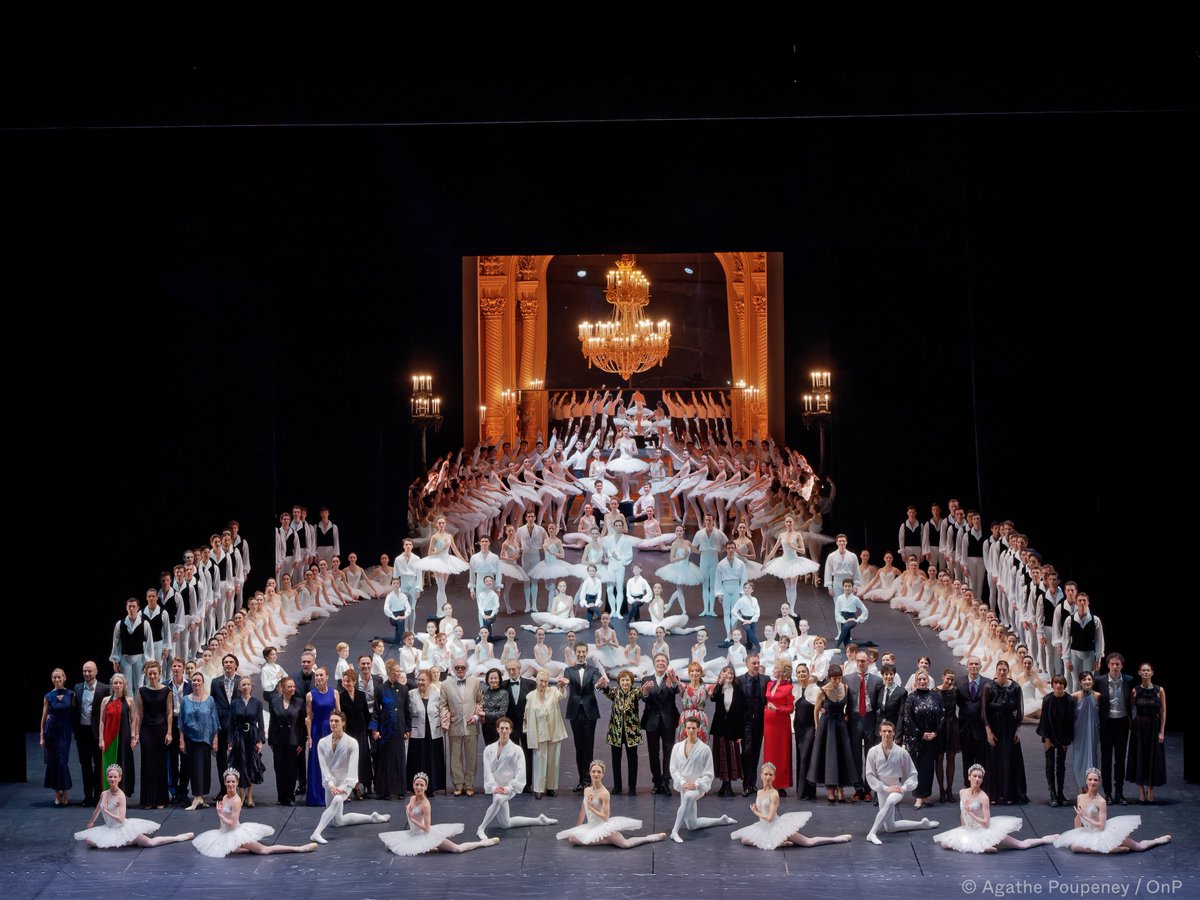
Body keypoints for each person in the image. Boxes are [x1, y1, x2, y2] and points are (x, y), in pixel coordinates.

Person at [934, 764, 1058, 852]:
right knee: (945, 843)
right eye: (975, 776)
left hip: (984, 830)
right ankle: (985, 846)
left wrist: (971, 813)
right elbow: (963, 814)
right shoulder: (962, 792)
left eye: (980, 777)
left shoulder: (983, 797)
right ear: (969, 777)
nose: (977, 779)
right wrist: (962, 829)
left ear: (982, 780)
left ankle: (1043, 840)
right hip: (969, 829)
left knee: (1021, 845)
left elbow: (986, 823)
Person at [192, 767, 316, 856]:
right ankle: (244, 848)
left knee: (264, 850)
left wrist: (220, 814)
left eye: (233, 782)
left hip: (235, 832)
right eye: (228, 781)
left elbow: (233, 824)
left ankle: (299, 849)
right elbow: (224, 823)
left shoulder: (236, 800)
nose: (230, 784)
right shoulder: (224, 797)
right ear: (224, 782)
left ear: (237, 783)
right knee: (231, 849)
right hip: (225, 833)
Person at [310, 710, 391, 843]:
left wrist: (344, 787)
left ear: (343, 722)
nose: (333, 723)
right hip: (330, 782)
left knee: (337, 800)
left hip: (345, 783)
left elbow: (352, 769)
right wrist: (331, 785)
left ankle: (316, 833)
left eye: (336, 721)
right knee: (338, 821)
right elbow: (323, 767)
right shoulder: (322, 743)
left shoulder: (352, 743)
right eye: (331, 721)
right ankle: (372, 818)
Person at [731, 762, 852, 849]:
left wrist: (756, 812)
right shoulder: (759, 792)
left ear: (774, 777)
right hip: (763, 827)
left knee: (807, 842)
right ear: (761, 775)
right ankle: (779, 842)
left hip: (776, 825)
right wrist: (758, 812)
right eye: (766, 774)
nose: (768, 777)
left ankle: (836, 839)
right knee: (744, 839)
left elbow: (769, 818)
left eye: (770, 775)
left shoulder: (774, 794)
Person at [1053, 767, 1171, 853]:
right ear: (1086, 781)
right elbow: (1078, 818)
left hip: (1103, 832)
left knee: (1139, 847)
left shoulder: (1101, 801)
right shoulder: (1080, 797)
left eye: (1095, 780)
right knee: (1075, 847)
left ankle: (1158, 840)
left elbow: (1101, 826)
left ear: (1099, 782)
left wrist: (1085, 817)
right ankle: (1111, 850)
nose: (1092, 782)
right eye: (1090, 779)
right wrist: (1077, 832)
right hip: (1089, 832)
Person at [379, 772, 499, 855]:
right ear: (413, 785)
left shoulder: (426, 805)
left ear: (426, 787)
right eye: (417, 784)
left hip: (426, 834)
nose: (419, 787)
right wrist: (410, 813)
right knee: (388, 845)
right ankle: (430, 848)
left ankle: (483, 843)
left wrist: (413, 819)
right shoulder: (412, 799)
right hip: (413, 833)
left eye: (422, 785)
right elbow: (411, 814)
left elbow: (426, 828)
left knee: (456, 849)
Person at [75, 765, 194, 849]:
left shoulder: (121, 796)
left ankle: (177, 838)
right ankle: (129, 842)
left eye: (115, 777)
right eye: (110, 777)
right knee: (89, 841)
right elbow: (97, 808)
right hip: (109, 828)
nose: (112, 779)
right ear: (107, 777)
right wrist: (91, 822)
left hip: (122, 827)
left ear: (119, 778)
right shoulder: (104, 794)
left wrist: (107, 811)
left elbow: (121, 819)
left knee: (149, 843)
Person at [557, 759, 666, 848]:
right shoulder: (587, 790)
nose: (596, 774)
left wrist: (591, 807)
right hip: (591, 825)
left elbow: (605, 817)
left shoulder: (604, 793)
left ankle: (650, 838)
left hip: (603, 825)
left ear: (603, 774)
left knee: (625, 844)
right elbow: (582, 810)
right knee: (573, 838)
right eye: (594, 771)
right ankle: (607, 841)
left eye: (599, 772)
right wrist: (578, 828)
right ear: (590, 773)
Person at [477, 718, 558, 837]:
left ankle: (481, 828)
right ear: (497, 729)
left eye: (506, 728)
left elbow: (520, 772)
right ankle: (539, 820)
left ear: (510, 730)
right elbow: (487, 771)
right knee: (506, 823)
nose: (504, 731)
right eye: (502, 728)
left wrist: (509, 788)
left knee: (498, 799)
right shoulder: (489, 750)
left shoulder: (517, 750)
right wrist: (493, 787)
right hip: (496, 787)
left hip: (509, 786)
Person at [863, 720, 940, 844]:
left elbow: (912, 774)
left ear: (893, 733)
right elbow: (870, 774)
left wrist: (904, 788)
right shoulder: (873, 751)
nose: (887, 734)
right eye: (884, 731)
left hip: (897, 788)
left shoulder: (901, 752)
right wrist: (884, 788)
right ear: (879, 733)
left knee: (890, 801)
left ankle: (872, 833)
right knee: (890, 827)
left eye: (889, 731)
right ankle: (922, 824)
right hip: (882, 789)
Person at [668, 717, 737, 842]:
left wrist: (696, 784)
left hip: (697, 787)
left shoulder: (705, 749)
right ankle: (722, 820)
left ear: (698, 729)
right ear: (684, 729)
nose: (690, 731)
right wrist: (683, 783)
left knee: (689, 797)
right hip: (684, 786)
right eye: (688, 728)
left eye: (693, 728)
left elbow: (708, 774)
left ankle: (674, 831)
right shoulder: (677, 747)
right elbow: (673, 769)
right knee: (692, 825)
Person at [808, 664, 856, 803]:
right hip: (827, 725)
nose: (837, 681)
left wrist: (846, 717)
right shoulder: (822, 691)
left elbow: (849, 708)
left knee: (842, 755)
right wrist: (817, 727)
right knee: (829, 757)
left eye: (839, 678)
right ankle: (830, 789)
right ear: (829, 678)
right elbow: (816, 710)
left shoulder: (845, 688)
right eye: (834, 679)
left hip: (841, 724)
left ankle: (840, 788)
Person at [981, 660, 1026, 804]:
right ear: (996, 670)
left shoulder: (1015, 687)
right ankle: (994, 794)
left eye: (1004, 670)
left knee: (1009, 759)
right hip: (994, 728)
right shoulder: (989, 687)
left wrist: (1018, 730)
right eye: (999, 669)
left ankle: (1009, 794)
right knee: (994, 760)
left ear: (1008, 671)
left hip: (1010, 728)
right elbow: (984, 711)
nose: (1002, 672)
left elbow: (1019, 709)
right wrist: (988, 731)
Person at [1094, 652, 1134, 805]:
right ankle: (1108, 793)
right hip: (1107, 724)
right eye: (1112, 664)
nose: (1115, 667)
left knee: (1120, 760)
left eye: (1118, 664)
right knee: (1106, 760)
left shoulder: (1129, 680)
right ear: (1108, 665)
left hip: (1122, 724)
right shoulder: (1099, 681)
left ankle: (1120, 793)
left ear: (1122, 666)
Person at [843, 650, 883, 802]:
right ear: (855, 662)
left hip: (870, 720)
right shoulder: (847, 679)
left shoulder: (877, 680)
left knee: (870, 757)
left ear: (869, 662)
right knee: (855, 757)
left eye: (863, 661)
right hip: (854, 720)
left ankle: (868, 789)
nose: (861, 663)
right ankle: (858, 789)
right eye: (858, 660)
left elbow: (879, 705)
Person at [439, 658, 483, 796]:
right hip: (454, 724)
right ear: (452, 668)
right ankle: (458, 784)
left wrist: (476, 717)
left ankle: (469, 784)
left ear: (466, 668)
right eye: (457, 667)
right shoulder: (445, 684)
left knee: (471, 757)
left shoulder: (475, 682)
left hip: (471, 725)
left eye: (462, 667)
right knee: (455, 756)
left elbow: (480, 702)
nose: (459, 670)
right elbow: (442, 705)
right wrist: (446, 718)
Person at [901, 671, 944, 809]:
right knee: (917, 768)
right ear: (915, 681)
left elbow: (942, 715)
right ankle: (918, 797)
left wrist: (935, 732)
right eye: (919, 679)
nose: (922, 681)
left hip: (932, 738)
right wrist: (921, 734)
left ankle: (926, 795)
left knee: (928, 768)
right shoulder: (911, 698)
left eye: (924, 679)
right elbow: (908, 719)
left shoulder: (935, 696)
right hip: (917, 739)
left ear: (928, 680)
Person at [524, 668, 568, 799]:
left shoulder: (553, 691)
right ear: (536, 680)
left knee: (554, 761)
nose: (543, 684)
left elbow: (563, 695)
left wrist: (561, 687)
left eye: (546, 681)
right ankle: (538, 788)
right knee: (539, 760)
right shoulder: (530, 696)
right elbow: (527, 713)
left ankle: (552, 787)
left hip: (554, 731)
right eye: (541, 681)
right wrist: (527, 727)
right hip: (539, 732)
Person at [1126, 662, 1166, 803]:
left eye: (1148, 670)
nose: (1146, 673)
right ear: (1139, 673)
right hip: (1139, 727)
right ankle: (1140, 789)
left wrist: (1161, 731)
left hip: (1154, 726)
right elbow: (1129, 710)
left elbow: (1163, 711)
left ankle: (1150, 789)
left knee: (1152, 758)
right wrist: (1132, 725)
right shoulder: (1135, 690)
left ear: (1152, 672)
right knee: (1140, 757)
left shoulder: (1159, 690)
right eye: (1143, 670)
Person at [640, 653, 680, 795]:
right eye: (658, 660)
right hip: (652, 721)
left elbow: (676, 689)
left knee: (669, 752)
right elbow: (644, 699)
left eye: (663, 661)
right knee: (653, 753)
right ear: (654, 663)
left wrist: (674, 681)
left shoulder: (672, 678)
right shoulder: (646, 679)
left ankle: (666, 782)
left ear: (667, 664)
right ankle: (656, 781)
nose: (661, 663)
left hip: (669, 720)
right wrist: (644, 692)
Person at [179, 672, 220, 810]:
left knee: (204, 768)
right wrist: (182, 740)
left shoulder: (210, 700)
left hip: (205, 739)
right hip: (190, 739)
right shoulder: (185, 699)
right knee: (194, 768)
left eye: (198, 680)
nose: (196, 682)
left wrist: (215, 739)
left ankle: (201, 796)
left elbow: (215, 721)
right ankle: (196, 796)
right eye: (194, 680)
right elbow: (181, 722)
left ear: (203, 682)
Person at [73, 661, 109, 808]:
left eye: (89, 671)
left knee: (98, 765)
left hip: (97, 733)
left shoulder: (104, 688)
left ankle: (98, 796)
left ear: (96, 671)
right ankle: (87, 796)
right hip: (82, 733)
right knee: (85, 765)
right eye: (84, 671)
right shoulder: (77, 688)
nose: (86, 674)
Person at [602, 669, 644, 795]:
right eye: (623, 680)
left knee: (633, 761)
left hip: (632, 733)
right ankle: (617, 786)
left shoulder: (635, 692)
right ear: (619, 682)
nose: (625, 682)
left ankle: (632, 787)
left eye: (627, 680)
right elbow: (607, 691)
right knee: (616, 760)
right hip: (616, 733)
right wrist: (604, 686)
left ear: (631, 682)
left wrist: (646, 690)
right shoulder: (615, 692)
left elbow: (643, 693)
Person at [1036, 674, 1074, 807]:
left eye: (1061, 683)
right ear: (1052, 685)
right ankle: (1052, 793)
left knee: (1061, 766)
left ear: (1064, 685)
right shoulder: (1047, 699)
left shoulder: (1069, 700)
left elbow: (1070, 722)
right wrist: (1046, 739)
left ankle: (1060, 793)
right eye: (1056, 683)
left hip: (1063, 737)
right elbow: (1044, 720)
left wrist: (1066, 741)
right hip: (1049, 736)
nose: (1058, 685)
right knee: (1050, 765)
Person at [265, 676, 303, 806]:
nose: (292, 689)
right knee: (279, 768)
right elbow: (272, 722)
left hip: (293, 740)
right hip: (278, 740)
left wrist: (301, 743)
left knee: (291, 769)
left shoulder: (299, 702)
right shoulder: (274, 701)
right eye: (289, 686)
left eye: (293, 686)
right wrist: (270, 740)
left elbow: (301, 725)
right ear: (283, 688)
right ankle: (281, 797)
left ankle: (289, 797)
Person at [227, 675, 265, 807]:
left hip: (252, 736)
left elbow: (261, 722)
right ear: (239, 687)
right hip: (239, 737)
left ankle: (249, 795)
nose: (246, 687)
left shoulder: (257, 702)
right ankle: (241, 793)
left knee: (251, 764)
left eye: (248, 684)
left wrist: (260, 741)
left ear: (251, 686)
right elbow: (231, 723)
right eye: (243, 685)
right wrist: (230, 742)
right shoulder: (235, 703)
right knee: (239, 764)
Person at [408, 669, 447, 794]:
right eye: (418, 680)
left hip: (433, 732)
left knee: (433, 759)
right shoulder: (411, 694)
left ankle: (432, 787)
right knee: (417, 760)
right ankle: (417, 787)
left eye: (423, 680)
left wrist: (445, 721)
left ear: (429, 681)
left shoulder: (437, 694)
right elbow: (407, 712)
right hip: (417, 733)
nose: (420, 682)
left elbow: (443, 710)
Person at [41, 667, 75, 807]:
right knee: (53, 763)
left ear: (64, 677)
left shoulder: (71, 694)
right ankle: (57, 794)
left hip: (65, 733)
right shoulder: (48, 696)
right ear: (52, 679)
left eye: (59, 677)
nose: (57, 679)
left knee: (63, 762)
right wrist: (42, 735)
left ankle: (65, 793)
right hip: (51, 732)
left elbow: (75, 713)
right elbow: (44, 716)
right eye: (54, 677)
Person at [98, 673, 136, 797]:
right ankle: (108, 793)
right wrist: (101, 739)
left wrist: (133, 737)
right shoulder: (105, 700)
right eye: (115, 683)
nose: (118, 685)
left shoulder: (129, 700)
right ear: (112, 685)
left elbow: (134, 719)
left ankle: (122, 793)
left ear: (124, 685)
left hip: (124, 738)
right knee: (108, 765)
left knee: (124, 764)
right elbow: (102, 720)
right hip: (109, 738)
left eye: (120, 683)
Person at [710, 665, 744, 797]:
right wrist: (719, 682)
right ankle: (724, 784)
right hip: (720, 728)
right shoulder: (720, 689)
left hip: (733, 729)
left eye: (731, 673)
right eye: (726, 673)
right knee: (721, 756)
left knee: (731, 756)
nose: (729, 675)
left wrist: (740, 733)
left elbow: (741, 713)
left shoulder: (738, 690)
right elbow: (713, 697)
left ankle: (728, 784)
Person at [956, 656, 991, 785]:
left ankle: (983, 785)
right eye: (971, 664)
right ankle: (968, 784)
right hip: (965, 728)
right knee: (967, 758)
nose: (973, 666)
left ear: (980, 666)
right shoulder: (958, 682)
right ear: (967, 666)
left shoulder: (988, 683)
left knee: (982, 758)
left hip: (981, 728)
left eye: (976, 664)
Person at [738, 653, 769, 796]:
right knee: (746, 752)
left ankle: (752, 783)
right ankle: (747, 784)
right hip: (745, 722)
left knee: (756, 753)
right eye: (753, 663)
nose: (756, 666)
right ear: (747, 664)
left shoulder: (766, 680)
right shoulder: (739, 681)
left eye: (758, 663)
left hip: (760, 722)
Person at [762, 661, 794, 796]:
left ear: (782, 671)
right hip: (768, 723)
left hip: (781, 724)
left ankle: (780, 784)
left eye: (775, 668)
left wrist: (777, 709)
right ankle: (768, 782)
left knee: (781, 753)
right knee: (769, 752)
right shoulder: (770, 684)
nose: (773, 670)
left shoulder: (789, 688)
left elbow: (791, 708)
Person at [110, 597, 151, 697]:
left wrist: (148, 660)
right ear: (126, 608)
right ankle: (129, 711)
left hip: (139, 658)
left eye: (134, 606)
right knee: (127, 687)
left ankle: (138, 712)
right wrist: (115, 660)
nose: (131, 609)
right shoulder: (120, 624)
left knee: (139, 686)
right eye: (130, 606)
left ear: (138, 608)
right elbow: (116, 643)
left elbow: (149, 642)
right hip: (125, 658)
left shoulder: (144, 623)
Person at [833, 579, 869, 650]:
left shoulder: (855, 599)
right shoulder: (839, 598)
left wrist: (857, 619)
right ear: (843, 587)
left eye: (849, 586)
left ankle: (837, 646)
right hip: (843, 619)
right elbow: (837, 612)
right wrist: (843, 620)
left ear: (852, 587)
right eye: (846, 586)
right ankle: (866, 644)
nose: (847, 588)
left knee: (846, 627)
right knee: (847, 644)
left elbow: (865, 610)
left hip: (852, 618)